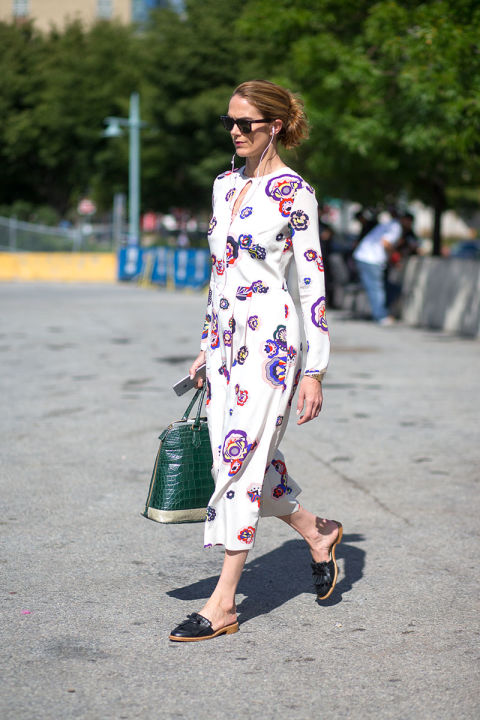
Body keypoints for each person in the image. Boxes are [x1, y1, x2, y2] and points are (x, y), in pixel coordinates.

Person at [169, 80, 342, 642]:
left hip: (271, 343)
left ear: (276, 126)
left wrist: (314, 368)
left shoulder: (296, 193)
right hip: (225, 342)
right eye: (230, 123)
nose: (236, 132)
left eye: (246, 123)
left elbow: (312, 281)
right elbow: (217, 275)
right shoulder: (222, 186)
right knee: (235, 453)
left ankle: (223, 603)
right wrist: (205, 345)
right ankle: (316, 531)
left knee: (237, 463)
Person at [353, 208, 402, 325]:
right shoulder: (396, 227)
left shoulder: (388, 224)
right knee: (376, 288)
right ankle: (381, 316)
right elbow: (386, 243)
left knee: (376, 287)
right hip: (371, 258)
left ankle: (379, 313)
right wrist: (394, 257)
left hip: (365, 256)